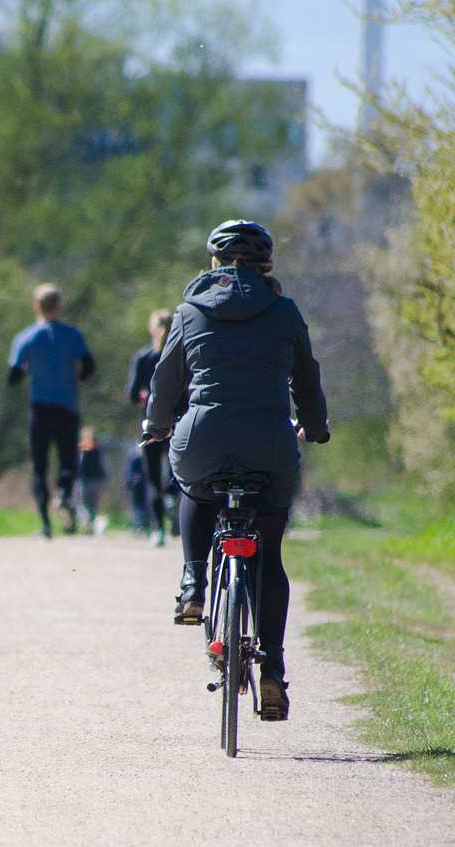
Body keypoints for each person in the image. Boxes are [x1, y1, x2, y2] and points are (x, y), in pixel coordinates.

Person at [142, 219, 329, 721]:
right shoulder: (285, 312)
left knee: (194, 487)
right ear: (266, 265)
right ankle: (272, 670)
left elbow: (164, 382)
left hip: (203, 439)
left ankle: (193, 583)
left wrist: (156, 426)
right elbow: (307, 380)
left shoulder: (188, 311)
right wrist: (316, 426)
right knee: (270, 556)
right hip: (270, 445)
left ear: (214, 263)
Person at [7, 284, 96, 538]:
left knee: (40, 466)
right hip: (67, 407)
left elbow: (13, 376)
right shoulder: (72, 335)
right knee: (68, 460)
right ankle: (65, 492)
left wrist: (28, 369)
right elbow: (89, 365)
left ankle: (46, 524)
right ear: (59, 306)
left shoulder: (26, 338)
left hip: (40, 409)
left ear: (36, 306)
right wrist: (75, 377)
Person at [127, 309, 175, 547]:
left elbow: (132, 394)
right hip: (178, 423)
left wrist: (146, 398)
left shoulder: (143, 357)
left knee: (153, 478)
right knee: (179, 472)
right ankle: (172, 500)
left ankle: (158, 529)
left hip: (150, 425)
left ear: (151, 329)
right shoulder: (181, 355)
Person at [75, 427, 107, 534]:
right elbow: (103, 465)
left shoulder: (82, 449)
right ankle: (91, 525)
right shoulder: (99, 449)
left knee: (82, 504)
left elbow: (79, 465)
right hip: (97, 481)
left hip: (85, 481)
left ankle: (88, 523)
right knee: (93, 505)